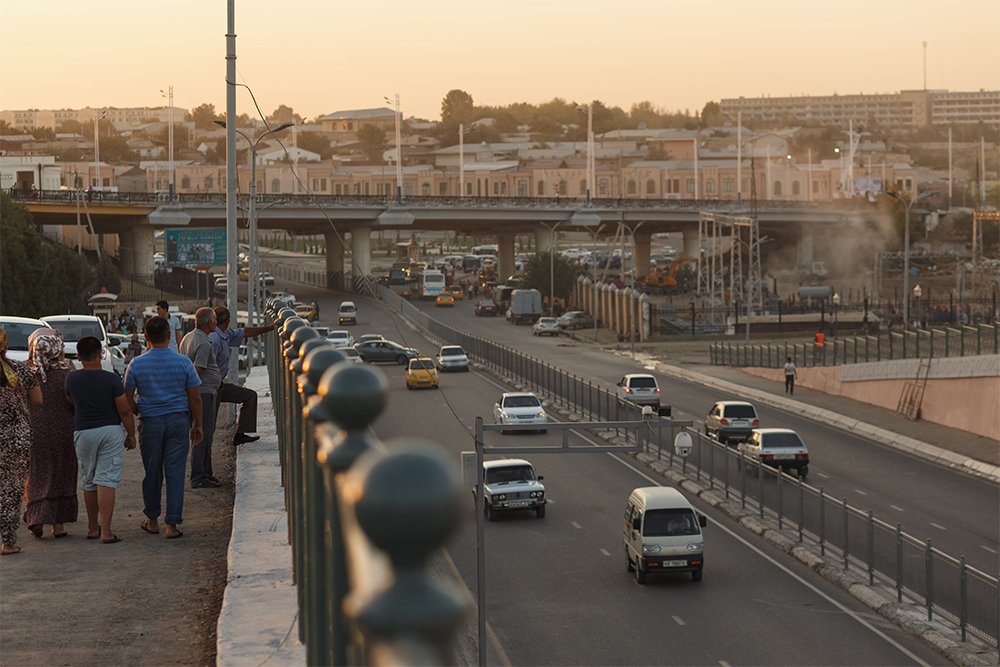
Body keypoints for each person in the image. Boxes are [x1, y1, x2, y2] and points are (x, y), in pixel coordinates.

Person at [124, 316, 203, 540]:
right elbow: (195, 398)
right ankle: (172, 525)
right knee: (175, 473)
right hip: (178, 421)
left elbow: (127, 396)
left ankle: (152, 520)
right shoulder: (184, 362)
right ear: (170, 336)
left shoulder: (137, 364)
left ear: (145, 337)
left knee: (152, 472)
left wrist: (139, 412)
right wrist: (198, 424)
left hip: (150, 422)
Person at [65, 336, 136, 544]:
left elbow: (71, 401)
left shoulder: (72, 379)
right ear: (101, 354)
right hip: (110, 431)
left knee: (88, 480)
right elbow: (124, 410)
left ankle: (92, 528)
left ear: (78, 356)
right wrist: (130, 434)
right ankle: (106, 532)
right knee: (106, 480)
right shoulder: (111, 378)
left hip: (83, 432)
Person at [24, 329, 78, 539]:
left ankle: (36, 517)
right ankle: (58, 525)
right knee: (63, 472)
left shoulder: (29, 374)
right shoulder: (67, 374)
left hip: (35, 431)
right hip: (64, 430)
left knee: (37, 473)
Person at [0, 329, 43, 555]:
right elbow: (37, 399)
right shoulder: (22, 369)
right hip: (17, 438)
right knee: (11, 490)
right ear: (5, 346)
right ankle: (7, 543)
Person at [210, 306, 275, 446]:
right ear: (227, 321)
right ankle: (202, 464)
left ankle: (240, 435)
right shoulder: (214, 339)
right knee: (208, 427)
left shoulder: (225, 334)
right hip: (210, 387)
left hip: (219, 385)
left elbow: (245, 332)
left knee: (250, 396)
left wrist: (269, 328)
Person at [179, 308, 221, 489]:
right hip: (203, 393)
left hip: (200, 392)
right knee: (202, 434)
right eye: (215, 320)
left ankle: (205, 472)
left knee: (203, 434)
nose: (216, 323)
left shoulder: (188, 337)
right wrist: (191, 393)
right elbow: (197, 372)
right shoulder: (203, 343)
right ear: (210, 322)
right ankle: (198, 476)